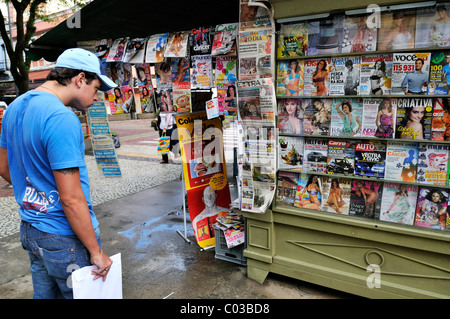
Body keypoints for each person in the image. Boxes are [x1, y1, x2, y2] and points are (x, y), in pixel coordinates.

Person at [0, 48, 115, 299]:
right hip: (63, 236)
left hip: (31, 229)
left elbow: (3, 166)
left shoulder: (14, 107)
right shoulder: (61, 117)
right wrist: (96, 253)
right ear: (80, 79)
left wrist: (37, 190)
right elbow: (70, 199)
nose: (96, 98)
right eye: (96, 89)